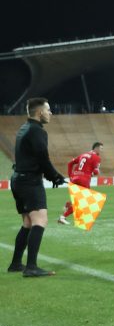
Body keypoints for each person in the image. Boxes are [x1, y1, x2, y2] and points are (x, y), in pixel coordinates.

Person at [9, 97, 64, 277]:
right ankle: (31, 267)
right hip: (30, 182)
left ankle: (16, 263)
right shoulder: (37, 131)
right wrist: (55, 176)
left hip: (18, 180)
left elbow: (35, 158)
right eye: (48, 110)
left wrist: (51, 176)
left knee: (27, 223)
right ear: (40, 113)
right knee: (40, 221)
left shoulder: (24, 128)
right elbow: (42, 158)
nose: (50, 113)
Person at [58, 142, 103, 225]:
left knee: (78, 199)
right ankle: (63, 217)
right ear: (96, 148)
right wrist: (94, 172)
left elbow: (70, 163)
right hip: (84, 180)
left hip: (75, 178)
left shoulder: (83, 155)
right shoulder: (96, 157)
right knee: (83, 201)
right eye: (101, 148)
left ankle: (68, 205)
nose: (101, 150)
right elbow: (96, 171)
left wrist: (70, 176)